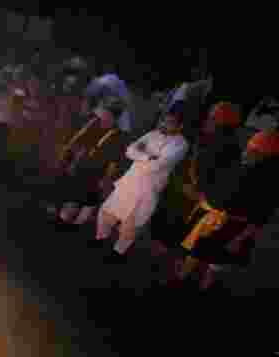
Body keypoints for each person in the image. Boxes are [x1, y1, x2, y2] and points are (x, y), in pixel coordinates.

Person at [170, 129, 279, 291]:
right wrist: (202, 195)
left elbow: (261, 216)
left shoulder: (270, 183)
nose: (247, 152)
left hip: (231, 227)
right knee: (196, 252)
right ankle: (182, 279)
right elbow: (218, 184)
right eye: (249, 147)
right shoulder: (238, 163)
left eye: (255, 151)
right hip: (209, 217)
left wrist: (240, 239)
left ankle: (205, 285)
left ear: (266, 156)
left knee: (216, 260)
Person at [146, 102, 243, 267]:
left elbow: (220, 176)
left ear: (222, 123)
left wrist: (200, 192)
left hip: (192, 197)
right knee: (167, 225)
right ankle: (162, 254)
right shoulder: (210, 137)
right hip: (183, 190)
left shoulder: (227, 146)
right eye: (210, 117)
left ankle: (166, 260)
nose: (208, 120)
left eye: (213, 118)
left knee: (174, 230)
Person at [94, 109, 189, 262]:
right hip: (129, 182)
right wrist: (148, 156)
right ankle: (100, 239)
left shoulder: (181, 144)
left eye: (170, 122)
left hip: (148, 189)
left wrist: (143, 156)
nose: (164, 124)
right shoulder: (152, 134)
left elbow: (158, 165)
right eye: (163, 120)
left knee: (131, 226)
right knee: (106, 212)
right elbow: (129, 151)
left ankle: (117, 254)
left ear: (180, 126)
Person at [51, 98, 127, 228]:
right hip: (82, 167)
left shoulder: (119, 136)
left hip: (97, 174)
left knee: (86, 204)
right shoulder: (94, 123)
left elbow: (114, 162)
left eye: (104, 113)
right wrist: (68, 157)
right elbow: (77, 140)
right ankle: (63, 221)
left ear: (112, 116)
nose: (100, 115)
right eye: (102, 112)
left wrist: (106, 179)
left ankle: (74, 226)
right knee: (72, 200)